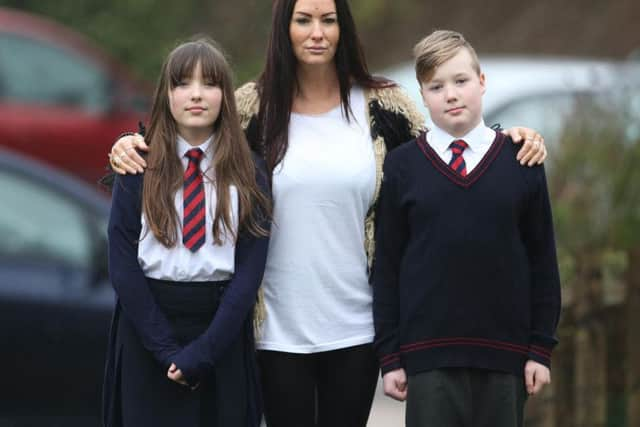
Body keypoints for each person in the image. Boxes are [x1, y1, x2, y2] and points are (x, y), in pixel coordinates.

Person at [107, 1, 548, 426]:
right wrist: (129, 142)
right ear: (285, 28)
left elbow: (446, 153)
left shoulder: (384, 104)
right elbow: (196, 140)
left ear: (343, 28)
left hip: (356, 326)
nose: (317, 32)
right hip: (274, 328)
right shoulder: (252, 107)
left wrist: (506, 138)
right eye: (303, 20)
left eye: (328, 20)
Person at [373, 30, 561, 427]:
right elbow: (388, 264)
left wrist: (539, 350)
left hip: (505, 355)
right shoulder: (403, 166)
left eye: (461, 81)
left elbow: (542, 260)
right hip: (428, 358)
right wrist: (391, 356)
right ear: (423, 96)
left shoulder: (521, 160)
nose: (451, 94)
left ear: (482, 81)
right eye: (437, 86)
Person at [103, 37, 271, 427]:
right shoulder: (137, 166)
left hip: (220, 330)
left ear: (225, 96)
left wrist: (205, 352)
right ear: (166, 94)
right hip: (147, 327)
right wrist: (164, 348)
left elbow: (249, 272)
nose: (196, 94)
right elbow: (122, 263)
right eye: (183, 83)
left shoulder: (251, 171)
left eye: (209, 83)